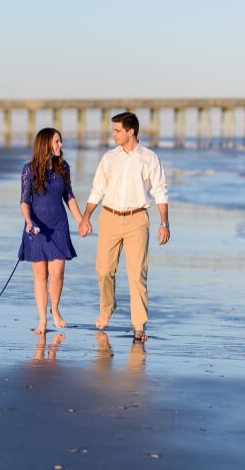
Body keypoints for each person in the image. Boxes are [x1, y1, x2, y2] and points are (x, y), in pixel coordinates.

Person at [78, 112, 169, 341]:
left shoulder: (149, 158)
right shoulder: (109, 158)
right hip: (109, 217)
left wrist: (164, 223)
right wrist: (86, 217)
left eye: (117, 130)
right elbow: (97, 189)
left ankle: (139, 325)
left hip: (137, 219)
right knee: (103, 270)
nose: (113, 134)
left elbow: (160, 191)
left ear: (131, 131)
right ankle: (107, 308)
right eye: (113, 130)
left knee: (137, 274)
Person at [18, 127, 84, 334]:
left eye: (60, 141)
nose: (60, 145)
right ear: (46, 143)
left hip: (58, 226)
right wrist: (28, 221)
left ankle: (55, 309)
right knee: (40, 275)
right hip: (37, 226)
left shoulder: (63, 167)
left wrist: (81, 220)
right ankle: (42, 321)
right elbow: (24, 200)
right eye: (57, 142)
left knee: (58, 272)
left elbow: (69, 197)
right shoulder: (29, 169)